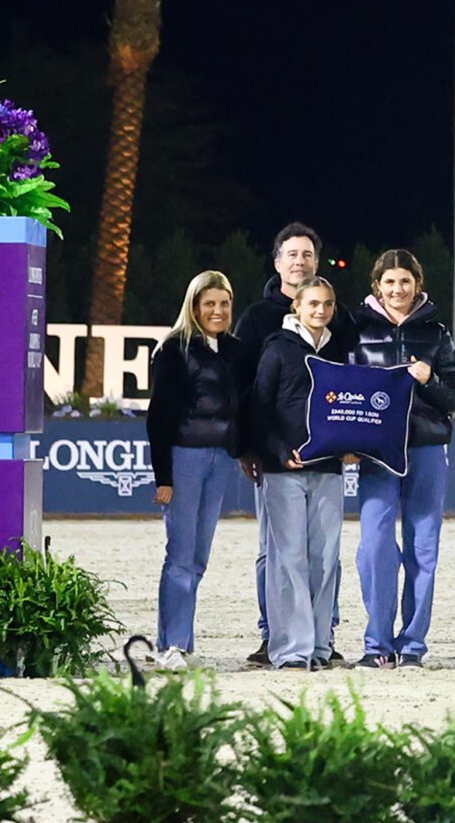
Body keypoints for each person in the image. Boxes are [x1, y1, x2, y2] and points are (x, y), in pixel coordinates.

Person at [344, 246, 455, 668]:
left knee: (423, 548)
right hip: (377, 454)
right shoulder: (356, 331)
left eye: (405, 281)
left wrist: (429, 379)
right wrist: (348, 441)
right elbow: (343, 391)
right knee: (374, 547)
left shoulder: (436, 333)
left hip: (426, 448)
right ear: (377, 286)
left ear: (418, 285)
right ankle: (377, 644)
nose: (398, 289)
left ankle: (412, 645)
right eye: (390, 281)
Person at [244, 275, 347, 672]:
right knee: (288, 560)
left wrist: (352, 444)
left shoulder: (337, 350)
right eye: (313, 304)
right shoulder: (277, 349)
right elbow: (259, 409)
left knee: (325, 559)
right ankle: (291, 650)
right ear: (297, 307)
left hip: (328, 468)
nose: (321, 310)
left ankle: (319, 645)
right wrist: (278, 451)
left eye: (327, 304)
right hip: (283, 470)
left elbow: (348, 407)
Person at [232, 222, 323, 668]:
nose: (299, 262)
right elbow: (244, 389)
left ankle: (321, 636)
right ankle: (273, 634)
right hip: (272, 455)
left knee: (320, 553)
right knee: (273, 549)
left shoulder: (333, 316)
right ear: (277, 262)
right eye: (292, 254)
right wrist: (246, 446)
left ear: (316, 262)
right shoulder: (255, 319)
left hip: (321, 457)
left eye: (307, 254)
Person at [146, 270, 244, 670]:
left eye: (224, 304)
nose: (217, 311)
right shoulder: (174, 350)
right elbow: (158, 416)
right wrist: (164, 477)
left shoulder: (235, 350)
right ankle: (170, 645)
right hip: (184, 458)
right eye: (209, 304)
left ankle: (181, 643)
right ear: (194, 306)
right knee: (181, 555)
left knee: (198, 556)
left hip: (221, 460)